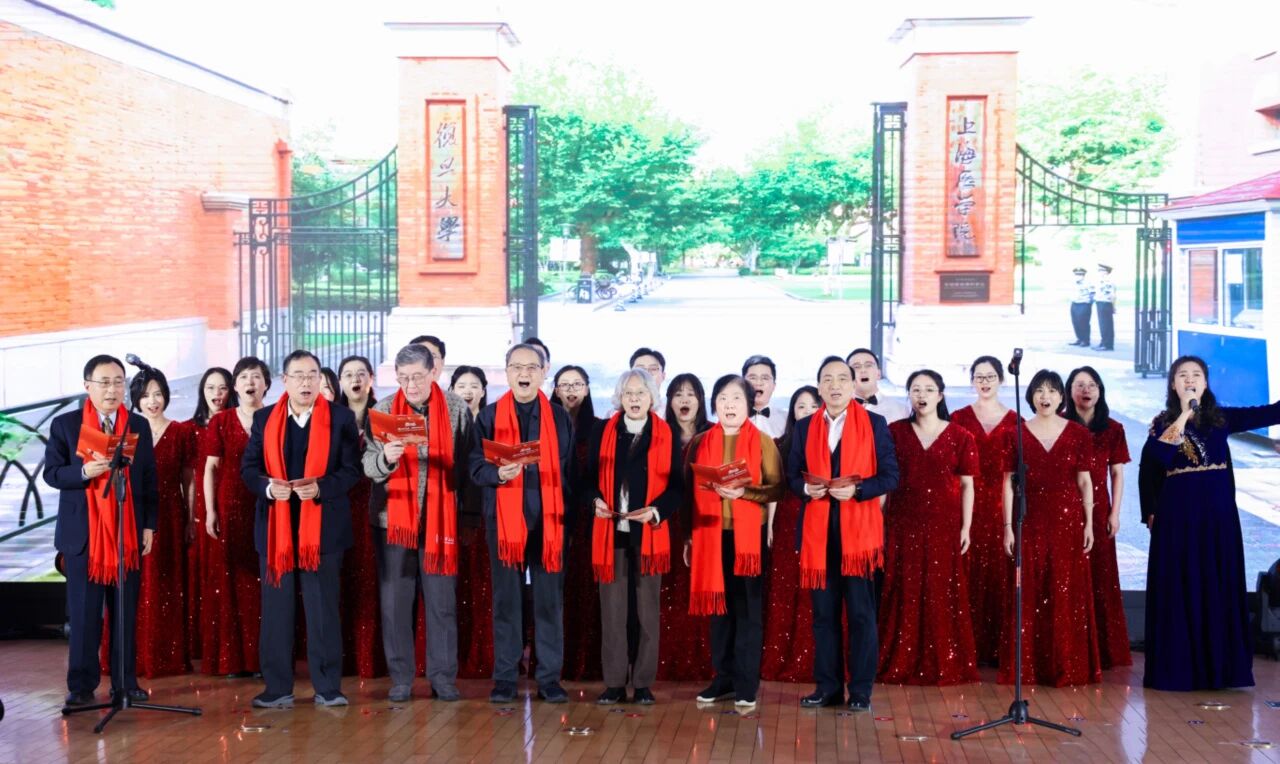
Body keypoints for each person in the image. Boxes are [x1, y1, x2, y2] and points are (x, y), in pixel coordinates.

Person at [1139, 355, 1280, 691]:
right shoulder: (1161, 423)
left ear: (1205, 382)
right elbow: (1158, 458)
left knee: (1216, 583)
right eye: (1182, 375)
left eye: (1196, 375)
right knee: (1181, 586)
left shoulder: (1221, 419)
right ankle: (1180, 669)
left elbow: (1270, 412)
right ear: (1173, 384)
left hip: (1217, 518)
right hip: (1178, 517)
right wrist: (1184, 414)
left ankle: (1219, 669)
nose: (1190, 380)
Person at [241, 350, 362, 708]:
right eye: (299, 375)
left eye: (312, 375)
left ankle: (328, 687)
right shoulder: (264, 418)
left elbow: (352, 470)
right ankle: (277, 688)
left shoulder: (340, 418)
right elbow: (248, 469)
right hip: (276, 530)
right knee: (277, 611)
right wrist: (267, 488)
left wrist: (321, 487)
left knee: (322, 610)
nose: (306, 382)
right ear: (285, 380)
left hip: (322, 530)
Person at [787, 357, 898, 712]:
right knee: (824, 617)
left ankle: (861, 691)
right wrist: (806, 490)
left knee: (862, 616)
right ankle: (828, 688)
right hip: (818, 537)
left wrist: (859, 490)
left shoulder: (875, 424)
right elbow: (792, 476)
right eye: (827, 379)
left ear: (852, 385)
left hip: (860, 539)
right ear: (819, 386)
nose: (834, 385)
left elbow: (891, 476)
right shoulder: (805, 427)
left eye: (841, 379)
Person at [45, 355, 157, 707]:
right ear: (87, 386)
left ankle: (125, 682)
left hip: (127, 534)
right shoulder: (66, 424)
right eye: (104, 382)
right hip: (84, 537)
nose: (112, 389)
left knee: (124, 614)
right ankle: (81, 685)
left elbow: (149, 480)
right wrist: (83, 473)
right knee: (84, 615)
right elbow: (52, 474)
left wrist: (149, 525)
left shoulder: (136, 424)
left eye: (118, 382)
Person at [468, 343, 574, 704]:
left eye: (531, 367)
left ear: (544, 373)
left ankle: (549, 679)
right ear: (507, 373)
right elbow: (475, 466)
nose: (524, 374)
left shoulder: (558, 418)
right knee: (507, 602)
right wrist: (498, 474)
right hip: (504, 523)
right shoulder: (489, 416)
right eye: (516, 367)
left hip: (548, 523)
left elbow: (570, 473)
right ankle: (505, 679)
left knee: (549, 603)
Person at [363, 344, 470, 701]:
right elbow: (367, 464)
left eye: (418, 377)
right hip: (392, 521)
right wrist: (385, 458)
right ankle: (401, 678)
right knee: (395, 603)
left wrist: (466, 516)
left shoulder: (456, 409)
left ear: (434, 373)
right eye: (403, 378)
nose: (410, 385)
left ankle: (443, 678)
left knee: (441, 603)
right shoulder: (381, 410)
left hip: (441, 521)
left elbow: (468, 464)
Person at [685, 374, 784, 709]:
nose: (729, 405)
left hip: (748, 540)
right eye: (723, 398)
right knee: (719, 610)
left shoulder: (763, 442)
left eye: (737, 398)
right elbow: (688, 490)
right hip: (711, 535)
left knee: (748, 612)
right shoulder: (700, 442)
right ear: (714, 403)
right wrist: (687, 537)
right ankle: (723, 678)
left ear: (749, 404)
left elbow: (777, 488)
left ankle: (746, 683)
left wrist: (745, 492)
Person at [585, 369, 682, 705]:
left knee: (647, 613)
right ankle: (614, 683)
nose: (635, 399)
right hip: (610, 533)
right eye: (628, 393)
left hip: (649, 534)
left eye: (641, 393)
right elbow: (586, 479)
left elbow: (678, 487)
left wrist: (656, 511)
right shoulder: (603, 431)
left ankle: (642, 684)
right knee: (612, 613)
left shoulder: (666, 434)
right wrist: (594, 501)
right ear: (620, 398)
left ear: (652, 397)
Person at [999, 369, 1099, 687]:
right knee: (1028, 590)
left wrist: (1089, 523)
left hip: (1067, 521)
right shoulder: (1014, 433)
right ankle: (1028, 666)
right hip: (1028, 519)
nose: (1045, 396)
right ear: (1031, 395)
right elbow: (1007, 483)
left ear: (1061, 397)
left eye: (1052, 391)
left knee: (1064, 590)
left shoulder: (1078, 434)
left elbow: (1085, 481)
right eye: (1039, 390)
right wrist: (1008, 527)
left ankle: (1065, 664)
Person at [878, 370, 979, 685]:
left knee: (940, 591)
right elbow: (884, 482)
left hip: (943, 525)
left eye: (929, 389)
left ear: (941, 395)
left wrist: (966, 527)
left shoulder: (961, 436)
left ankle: (943, 661)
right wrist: (877, 521)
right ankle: (900, 659)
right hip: (902, 522)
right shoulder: (894, 432)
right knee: (902, 589)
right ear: (908, 395)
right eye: (915, 389)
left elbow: (968, 486)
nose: (921, 395)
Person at [122, 361, 195, 677]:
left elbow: (188, 479)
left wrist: (190, 519)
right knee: (134, 585)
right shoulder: (128, 433)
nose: (152, 401)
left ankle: (167, 656)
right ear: (135, 400)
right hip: (134, 515)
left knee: (166, 583)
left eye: (158, 394)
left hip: (170, 515)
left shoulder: (180, 432)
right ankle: (131, 656)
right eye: (145, 396)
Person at [202, 357, 269, 677]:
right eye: (244, 377)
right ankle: (232, 660)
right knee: (231, 581)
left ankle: (262, 659)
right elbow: (210, 468)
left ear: (266, 384)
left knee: (263, 581)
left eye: (256, 377)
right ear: (235, 386)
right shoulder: (221, 422)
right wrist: (211, 511)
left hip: (268, 505)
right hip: (230, 507)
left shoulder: (275, 417)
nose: (250, 382)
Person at [949, 355, 1018, 665]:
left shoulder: (1016, 422)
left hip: (1003, 508)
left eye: (991, 376)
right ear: (972, 381)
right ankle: (966, 647)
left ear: (1001, 380)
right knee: (966, 573)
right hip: (966, 505)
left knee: (1001, 575)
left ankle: (998, 649)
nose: (985, 381)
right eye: (979, 376)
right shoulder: (958, 418)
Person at [1062, 366, 1131, 669]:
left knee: (1101, 576)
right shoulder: (1060, 424)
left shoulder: (1113, 429)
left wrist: (1115, 513)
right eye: (1079, 385)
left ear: (1100, 390)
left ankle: (1103, 650)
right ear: (1069, 391)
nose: (1086, 390)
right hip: (1065, 508)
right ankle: (1071, 645)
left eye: (1091, 385)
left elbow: (1117, 473)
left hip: (1100, 509)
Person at [760, 385, 820, 683]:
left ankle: (816, 660)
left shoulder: (830, 444)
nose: (807, 412)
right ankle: (780, 657)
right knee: (785, 588)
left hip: (819, 521)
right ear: (793, 412)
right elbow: (775, 488)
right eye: (801, 406)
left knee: (815, 589)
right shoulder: (780, 444)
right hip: (787, 520)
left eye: (813, 407)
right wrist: (771, 524)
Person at [658, 373, 712, 681]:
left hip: (703, 523)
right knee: (667, 590)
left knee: (700, 587)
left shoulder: (713, 435)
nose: (684, 399)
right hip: (665, 523)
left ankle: (704, 660)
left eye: (691, 394)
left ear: (701, 401)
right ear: (669, 402)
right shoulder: (659, 435)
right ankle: (665, 660)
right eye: (678, 394)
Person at [336, 355, 385, 678]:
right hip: (338, 509)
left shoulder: (383, 416)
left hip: (376, 507)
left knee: (372, 581)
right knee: (341, 583)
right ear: (340, 381)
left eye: (361, 373)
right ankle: (342, 658)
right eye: (348, 374)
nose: (355, 379)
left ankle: (371, 658)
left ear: (370, 379)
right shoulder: (330, 418)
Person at [552, 364, 602, 682]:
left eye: (577, 384)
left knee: (584, 589)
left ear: (587, 389)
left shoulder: (599, 428)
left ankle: (586, 661)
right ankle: (552, 662)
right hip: (550, 517)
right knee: (553, 591)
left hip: (587, 519)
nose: (571, 390)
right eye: (565, 384)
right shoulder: (543, 424)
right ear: (555, 390)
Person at [185, 366, 234, 662]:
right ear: (201, 392)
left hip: (232, 504)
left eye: (223, 387)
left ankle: (230, 644)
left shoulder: (240, 422)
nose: (217, 394)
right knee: (206, 576)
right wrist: (192, 514)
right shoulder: (189, 429)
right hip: (203, 509)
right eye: (210, 388)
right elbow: (189, 477)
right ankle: (207, 645)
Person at [449, 364, 493, 678]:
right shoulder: (446, 425)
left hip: (486, 517)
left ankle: (483, 654)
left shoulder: (491, 424)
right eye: (461, 385)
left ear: (483, 391)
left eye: (474, 385)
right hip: (449, 518)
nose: (468, 391)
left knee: (483, 588)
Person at [410, 335, 472, 431]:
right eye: (420, 356)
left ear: (442, 362)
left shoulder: (458, 406)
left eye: (433, 356)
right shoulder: (388, 406)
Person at [845, 348, 909, 422]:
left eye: (868, 365)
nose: (863, 370)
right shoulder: (838, 410)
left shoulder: (901, 410)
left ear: (878, 374)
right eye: (856, 367)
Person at [742, 355, 786, 438]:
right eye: (753, 378)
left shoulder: (786, 419)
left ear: (774, 385)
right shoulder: (730, 418)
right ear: (742, 384)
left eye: (765, 378)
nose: (758, 383)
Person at [1068, 266, 1094, 347]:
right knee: (1075, 322)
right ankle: (1079, 339)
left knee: (1083, 322)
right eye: (1077, 274)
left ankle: (1085, 340)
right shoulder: (1073, 283)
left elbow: (1092, 294)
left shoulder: (1088, 283)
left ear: (1083, 275)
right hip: (1075, 303)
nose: (1078, 276)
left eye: (1080, 274)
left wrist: (1089, 303)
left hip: (1084, 304)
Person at [1093, 263, 1115, 351]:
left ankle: (1107, 344)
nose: (1099, 272)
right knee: (1102, 325)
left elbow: (1112, 295)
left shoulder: (1108, 281)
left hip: (1105, 303)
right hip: (1100, 303)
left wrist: (1113, 306)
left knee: (1106, 325)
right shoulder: (1101, 281)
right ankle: (1103, 342)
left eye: (1101, 270)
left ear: (1106, 272)